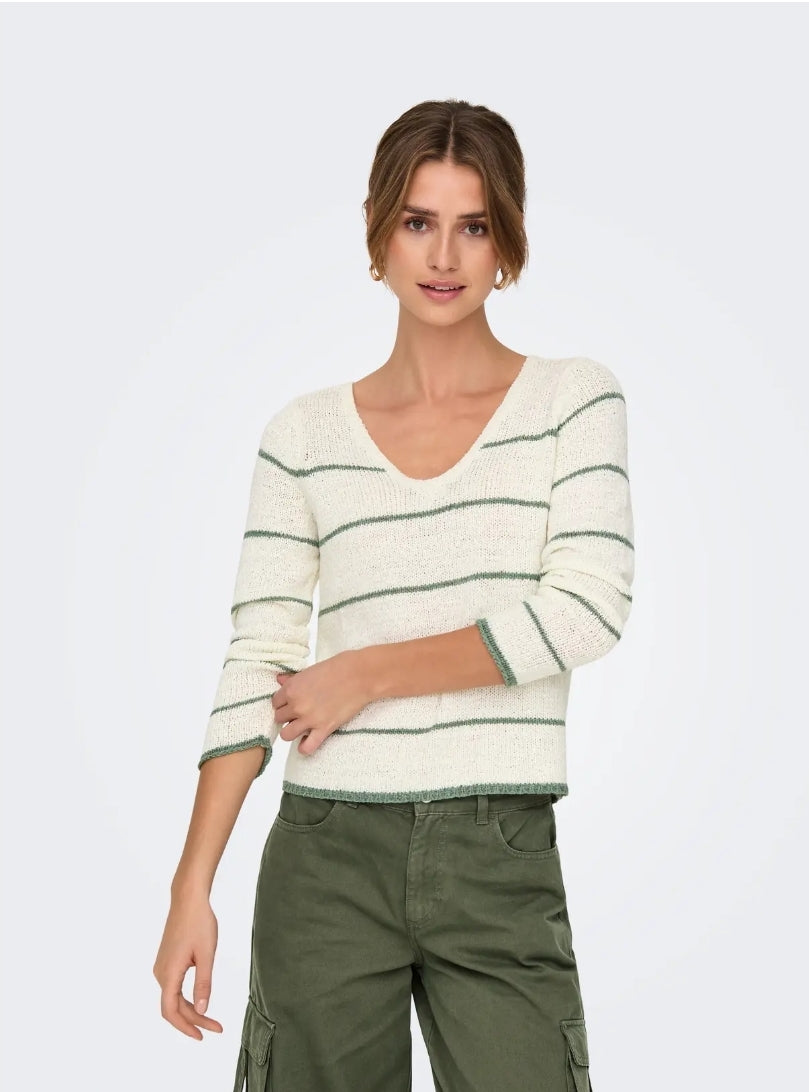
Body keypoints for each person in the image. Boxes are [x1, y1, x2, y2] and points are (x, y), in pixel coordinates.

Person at [153, 98, 634, 1092]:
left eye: (475, 225)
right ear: (378, 235)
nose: (444, 256)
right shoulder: (303, 436)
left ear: (508, 244)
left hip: (496, 843)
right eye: (418, 221)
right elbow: (257, 659)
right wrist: (191, 885)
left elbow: (587, 607)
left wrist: (367, 673)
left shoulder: (573, 400)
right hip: (326, 850)